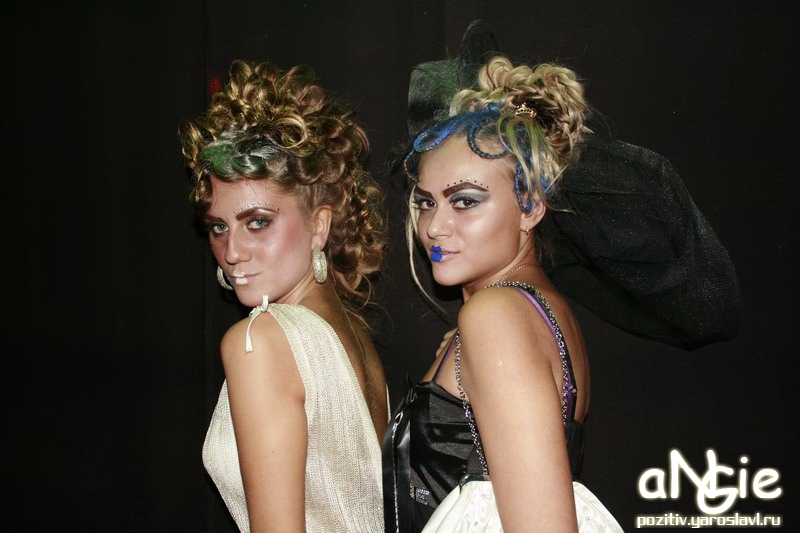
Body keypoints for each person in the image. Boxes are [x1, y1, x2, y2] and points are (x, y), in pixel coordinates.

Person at [383, 53, 626, 532]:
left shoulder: (497, 315)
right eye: (426, 203)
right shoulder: (531, 309)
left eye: (465, 201)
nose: (434, 227)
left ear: (530, 206)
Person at [179, 60, 388, 532]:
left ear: (319, 225)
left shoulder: (261, 341)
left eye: (257, 222)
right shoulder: (353, 336)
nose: (232, 252)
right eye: (218, 227)